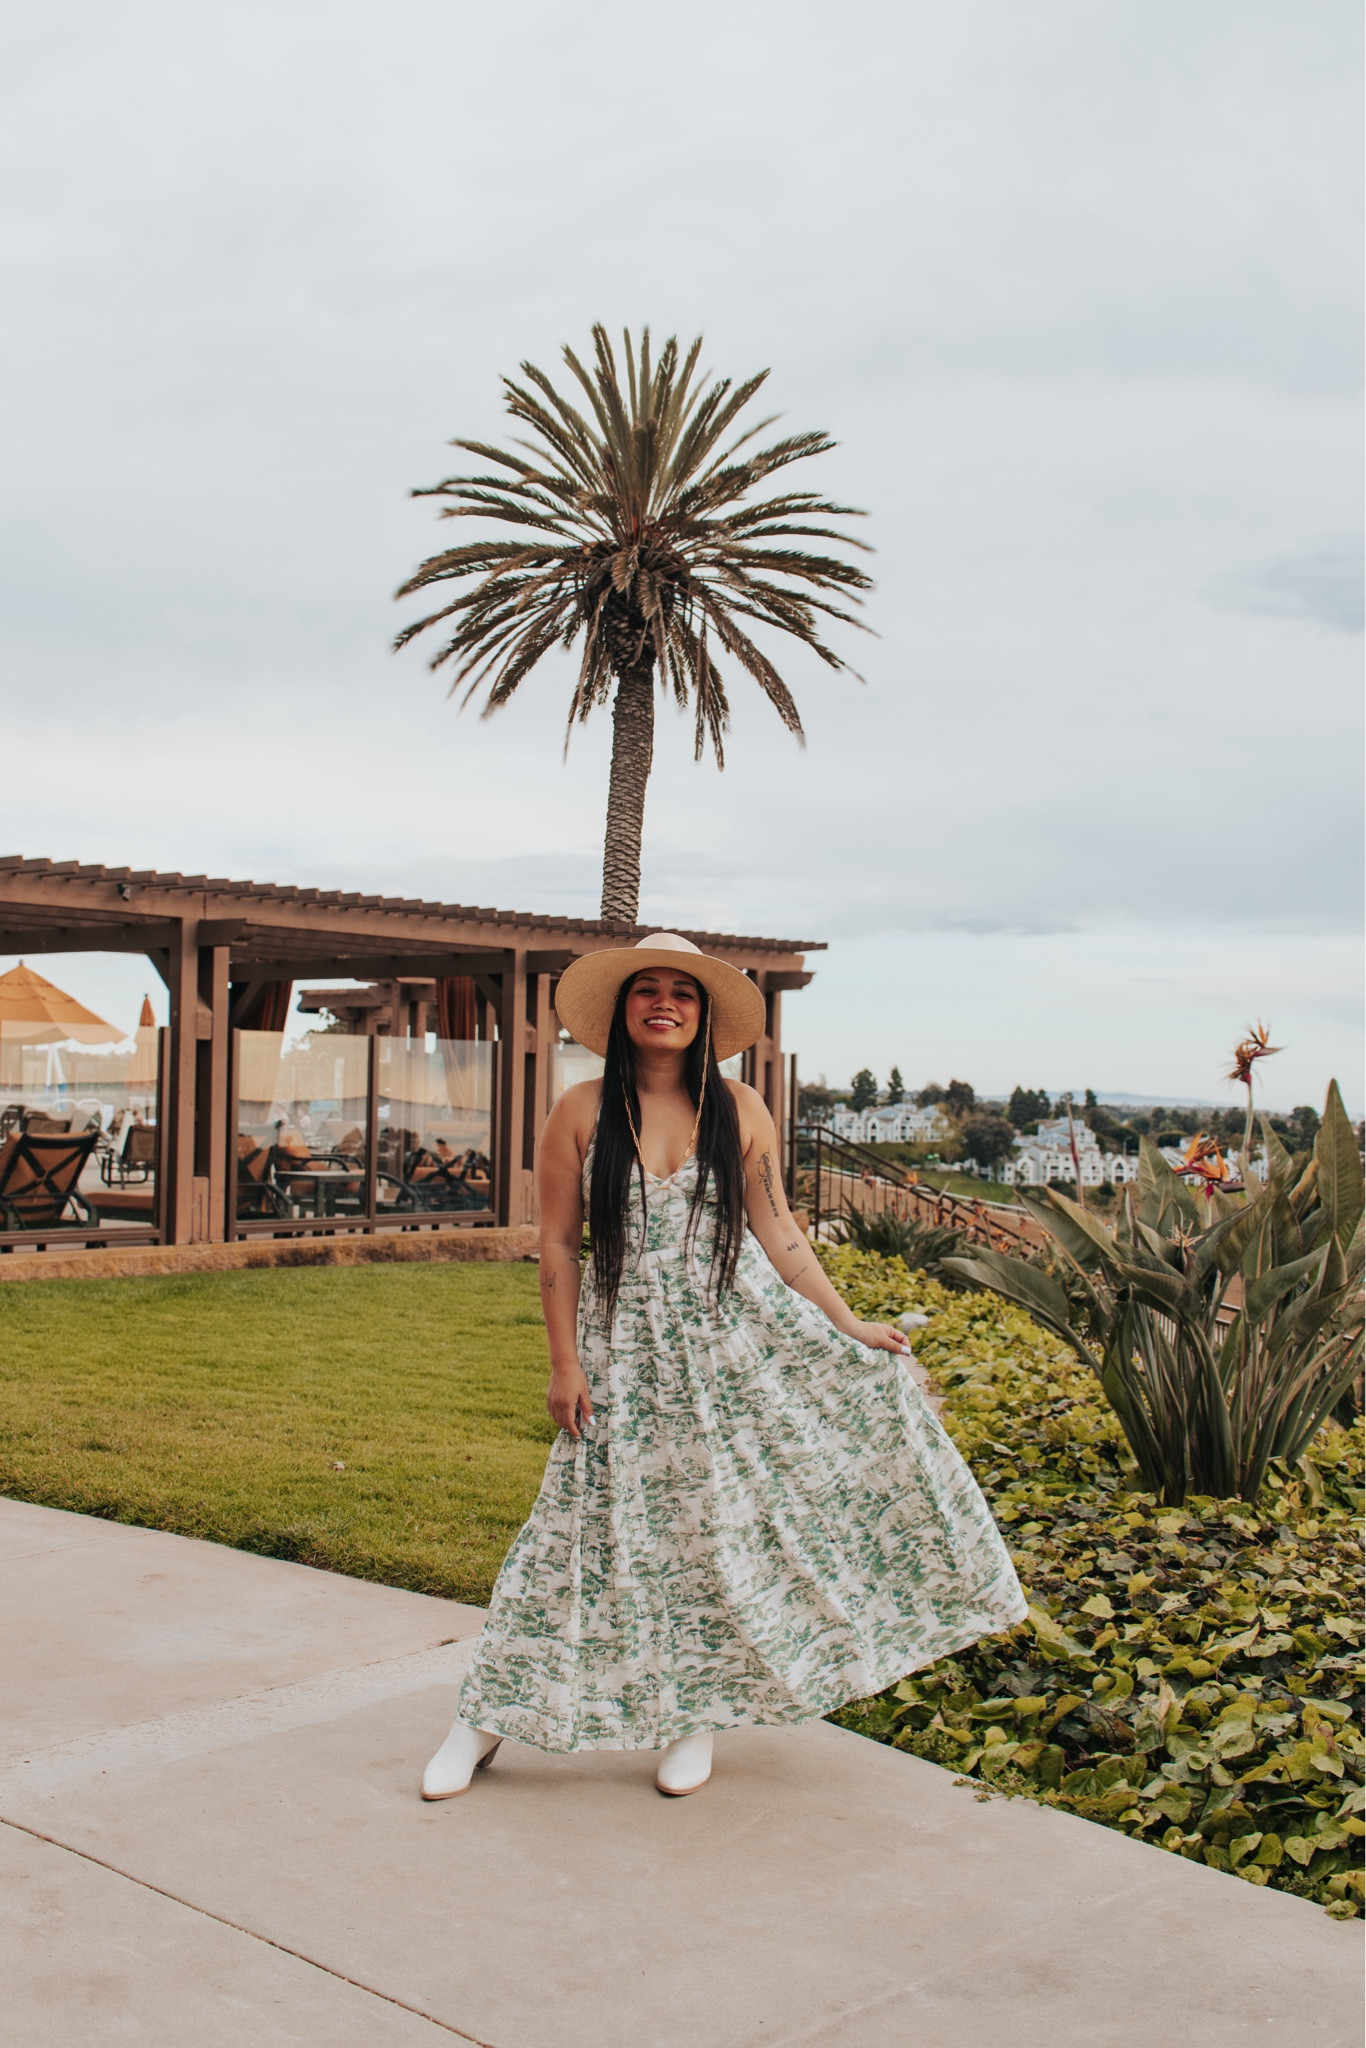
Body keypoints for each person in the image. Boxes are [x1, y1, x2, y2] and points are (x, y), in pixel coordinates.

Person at [421, 934, 1025, 1802]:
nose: (664, 1003)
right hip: (624, 1352)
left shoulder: (737, 1109)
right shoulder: (582, 1109)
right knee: (577, 1535)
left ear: (703, 1017)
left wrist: (850, 1324)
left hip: (730, 1348)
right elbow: (557, 1242)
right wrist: (564, 1363)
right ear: (623, 1010)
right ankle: (480, 1720)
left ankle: (693, 1716)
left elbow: (780, 1234)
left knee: (716, 1530)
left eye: (683, 994)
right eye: (648, 991)